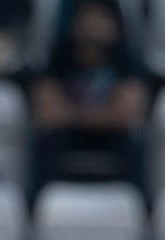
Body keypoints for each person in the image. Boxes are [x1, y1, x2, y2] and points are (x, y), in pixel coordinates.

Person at [28, 0, 148, 201]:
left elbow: (127, 114)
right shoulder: (59, 57)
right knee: (46, 141)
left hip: (110, 136)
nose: (93, 25)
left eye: (101, 18)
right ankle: (37, 207)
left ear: (116, 25)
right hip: (69, 135)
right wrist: (99, 116)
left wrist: (74, 115)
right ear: (75, 22)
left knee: (134, 144)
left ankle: (140, 209)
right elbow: (46, 112)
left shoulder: (127, 61)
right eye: (87, 17)